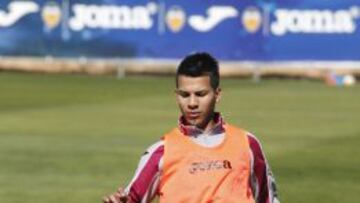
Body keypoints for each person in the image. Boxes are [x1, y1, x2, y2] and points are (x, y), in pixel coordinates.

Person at [103, 52, 280, 203]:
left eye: (201, 94)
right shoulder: (160, 153)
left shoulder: (247, 144)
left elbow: (268, 199)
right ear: (176, 95)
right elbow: (131, 198)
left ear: (217, 94)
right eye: (185, 95)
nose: (192, 103)